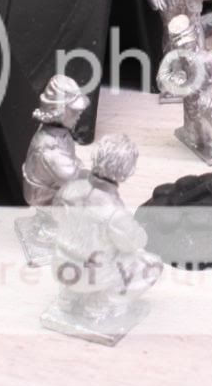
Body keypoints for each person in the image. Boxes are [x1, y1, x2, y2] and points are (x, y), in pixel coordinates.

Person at [50, 134, 162, 323]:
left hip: (60, 265)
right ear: (127, 171)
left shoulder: (69, 190)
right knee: (151, 263)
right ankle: (100, 304)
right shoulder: (114, 211)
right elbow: (134, 243)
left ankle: (68, 297)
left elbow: (56, 215)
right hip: (91, 275)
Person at [15, 75, 91, 266]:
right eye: (74, 111)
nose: (79, 114)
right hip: (46, 196)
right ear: (59, 112)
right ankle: (55, 228)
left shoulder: (58, 134)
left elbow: (72, 164)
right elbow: (72, 176)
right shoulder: (49, 147)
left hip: (53, 186)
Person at [157, 15, 212, 165]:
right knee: (194, 132)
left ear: (194, 40)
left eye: (188, 45)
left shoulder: (207, 58)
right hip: (190, 101)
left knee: (211, 122)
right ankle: (194, 135)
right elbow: (161, 81)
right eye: (181, 46)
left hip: (207, 99)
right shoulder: (175, 60)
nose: (185, 49)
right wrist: (173, 80)